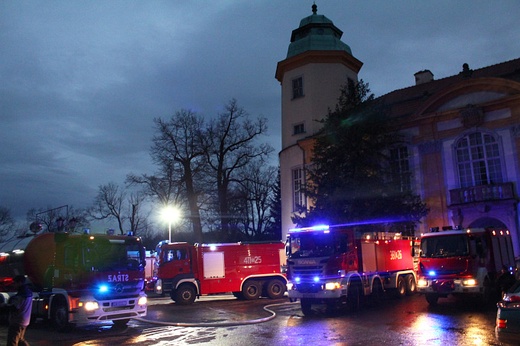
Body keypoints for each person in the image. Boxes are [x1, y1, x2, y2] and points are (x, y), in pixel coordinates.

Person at [1, 275, 33, 346]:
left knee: (12, 342)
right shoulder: (28, 292)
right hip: (25, 321)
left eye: (15, 283)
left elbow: (14, 307)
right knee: (20, 340)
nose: (13, 285)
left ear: (20, 283)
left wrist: (4, 306)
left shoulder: (21, 295)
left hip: (17, 321)